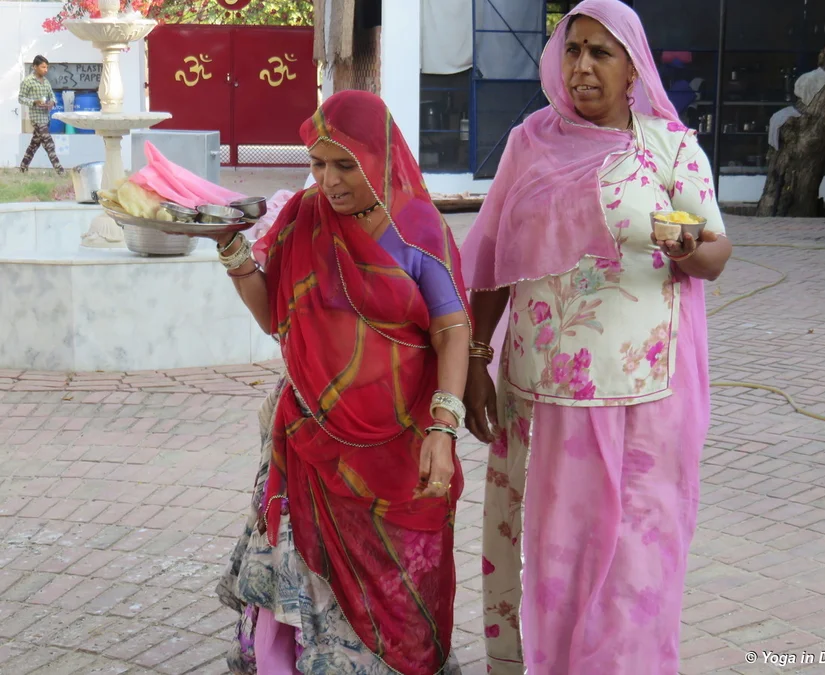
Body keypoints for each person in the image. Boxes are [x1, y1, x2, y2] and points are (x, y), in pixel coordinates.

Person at [461, 2, 733, 673]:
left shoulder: (668, 147)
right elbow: (493, 255)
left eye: (599, 53)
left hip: (644, 401)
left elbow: (716, 250)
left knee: (634, 559)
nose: (581, 66)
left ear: (632, 66)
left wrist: (686, 247)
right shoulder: (529, 141)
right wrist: (474, 360)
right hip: (542, 396)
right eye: (572, 49)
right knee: (555, 553)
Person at [215, 90, 471, 674]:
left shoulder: (417, 228)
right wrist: (229, 245)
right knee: (307, 566)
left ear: (380, 158)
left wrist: (444, 426)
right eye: (317, 163)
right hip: (308, 431)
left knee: (398, 576)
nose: (327, 180)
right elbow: (274, 318)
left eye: (344, 165)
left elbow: (452, 328)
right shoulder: (304, 217)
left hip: (401, 439)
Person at [17, 55, 65, 176]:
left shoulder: (46, 81)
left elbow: (52, 95)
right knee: (49, 144)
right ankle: (60, 171)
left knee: (34, 145)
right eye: (43, 67)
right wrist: (34, 102)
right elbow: (21, 98)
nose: (46, 70)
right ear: (35, 67)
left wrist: (52, 102)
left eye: (47, 67)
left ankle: (23, 168)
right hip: (37, 118)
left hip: (46, 117)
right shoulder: (28, 81)